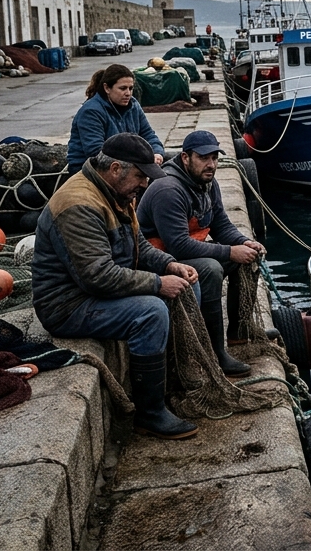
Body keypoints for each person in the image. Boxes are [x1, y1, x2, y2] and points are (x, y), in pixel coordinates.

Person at [32, 133, 202, 440]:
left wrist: (169, 265)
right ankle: (150, 413)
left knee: (187, 288)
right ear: (114, 169)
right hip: (68, 305)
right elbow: (97, 276)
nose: (145, 184)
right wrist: (157, 283)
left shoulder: (116, 194)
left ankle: (175, 381)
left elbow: (139, 246)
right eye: (140, 176)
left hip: (92, 293)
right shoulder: (79, 204)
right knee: (151, 312)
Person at [137, 130, 263, 379]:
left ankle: (239, 333)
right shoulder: (168, 190)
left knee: (248, 258)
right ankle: (215, 352)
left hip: (184, 250)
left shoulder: (208, 183)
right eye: (204, 158)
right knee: (210, 269)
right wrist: (230, 251)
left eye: (214, 158)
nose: (211, 165)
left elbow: (221, 226)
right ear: (185, 158)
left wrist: (244, 242)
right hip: (159, 259)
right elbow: (179, 246)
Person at [67, 64, 165, 174]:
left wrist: (157, 152)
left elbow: (148, 134)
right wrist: (138, 159)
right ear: (107, 88)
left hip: (125, 164)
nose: (128, 93)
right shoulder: (91, 111)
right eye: (123, 88)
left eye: (131, 88)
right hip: (90, 169)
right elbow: (95, 151)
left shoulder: (133, 105)